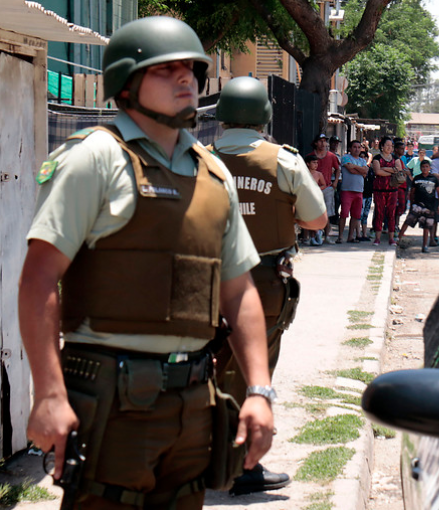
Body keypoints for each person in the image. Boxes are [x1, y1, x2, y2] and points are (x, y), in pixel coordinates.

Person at [18, 17, 275, 509]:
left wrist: (260, 391)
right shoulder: (94, 159)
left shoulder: (212, 172)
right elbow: (39, 278)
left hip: (194, 403)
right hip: (112, 404)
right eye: (165, 69)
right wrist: (49, 393)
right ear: (125, 85)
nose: (185, 78)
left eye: (191, 69)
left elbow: (239, 290)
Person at [210, 76, 327, 494]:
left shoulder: (199, 157)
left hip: (205, 281)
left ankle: (208, 457)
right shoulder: (285, 161)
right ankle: (243, 467)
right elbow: (316, 220)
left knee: (206, 368)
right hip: (263, 282)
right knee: (252, 372)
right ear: (265, 115)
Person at [398, 160, 439, 253]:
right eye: (423, 167)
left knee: (426, 226)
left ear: (429, 168)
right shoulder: (417, 178)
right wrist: (411, 204)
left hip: (429, 206)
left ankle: (425, 245)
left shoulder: (434, 179)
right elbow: (412, 192)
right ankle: (398, 239)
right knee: (408, 221)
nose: (425, 169)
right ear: (420, 168)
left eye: (427, 167)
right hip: (417, 205)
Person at [308, 134, 340, 244]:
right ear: (316, 143)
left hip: (327, 187)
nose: (323, 144)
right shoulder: (311, 156)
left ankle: (327, 236)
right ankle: (311, 236)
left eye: (324, 141)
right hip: (313, 189)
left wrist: (335, 181)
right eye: (320, 141)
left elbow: (337, 169)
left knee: (328, 213)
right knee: (312, 212)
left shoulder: (331, 156)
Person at [371, 136, 401, 246]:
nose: (389, 148)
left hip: (393, 190)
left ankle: (391, 238)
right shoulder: (377, 158)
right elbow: (377, 172)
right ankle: (377, 238)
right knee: (379, 212)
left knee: (391, 213)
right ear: (382, 146)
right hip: (379, 190)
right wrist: (392, 171)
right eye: (387, 145)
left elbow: (399, 170)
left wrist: (384, 169)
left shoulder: (395, 158)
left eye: (391, 146)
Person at [339, 140, 368, 243]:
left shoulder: (363, 160)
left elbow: (365, 172)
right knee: (344, 214)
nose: (357, 149)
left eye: (358, 147)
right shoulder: (346, 158)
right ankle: (340, 236)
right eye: (354, 147)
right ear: (350, 148)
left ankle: (350, 236)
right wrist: (360, 170)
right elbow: (351, 170)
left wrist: (355, 167)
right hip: (347, 190)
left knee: (356, 215)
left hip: (359, 190)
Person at [392, 137, 412, 241]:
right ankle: (394, 227)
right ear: (395, 149)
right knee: (396, 208)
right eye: (400, 148)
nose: (402, 151)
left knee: (402, 208)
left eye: (403, 148)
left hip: (404, 186)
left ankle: (396, 225)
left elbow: (406, 171)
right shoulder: (394, 159)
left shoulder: (402, 159)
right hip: (397, 187)